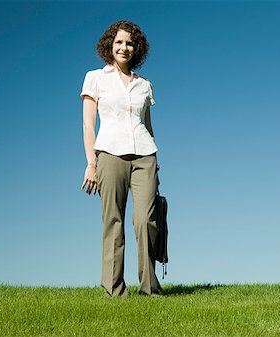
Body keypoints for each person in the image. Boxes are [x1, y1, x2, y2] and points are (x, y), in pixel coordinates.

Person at [79, 20, 162, 297]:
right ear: (109, 45)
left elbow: (147, 125)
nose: (124, 47)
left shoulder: (144, 85)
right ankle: (115, 290)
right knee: (113, 220)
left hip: (145, 156)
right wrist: (91, 163)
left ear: (136, 48)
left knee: (145, 220)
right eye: (119, 42)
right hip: (109, 155)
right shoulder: (96, 78)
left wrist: (155, 165)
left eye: (129, 43)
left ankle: (149, 288)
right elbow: (89, 125)